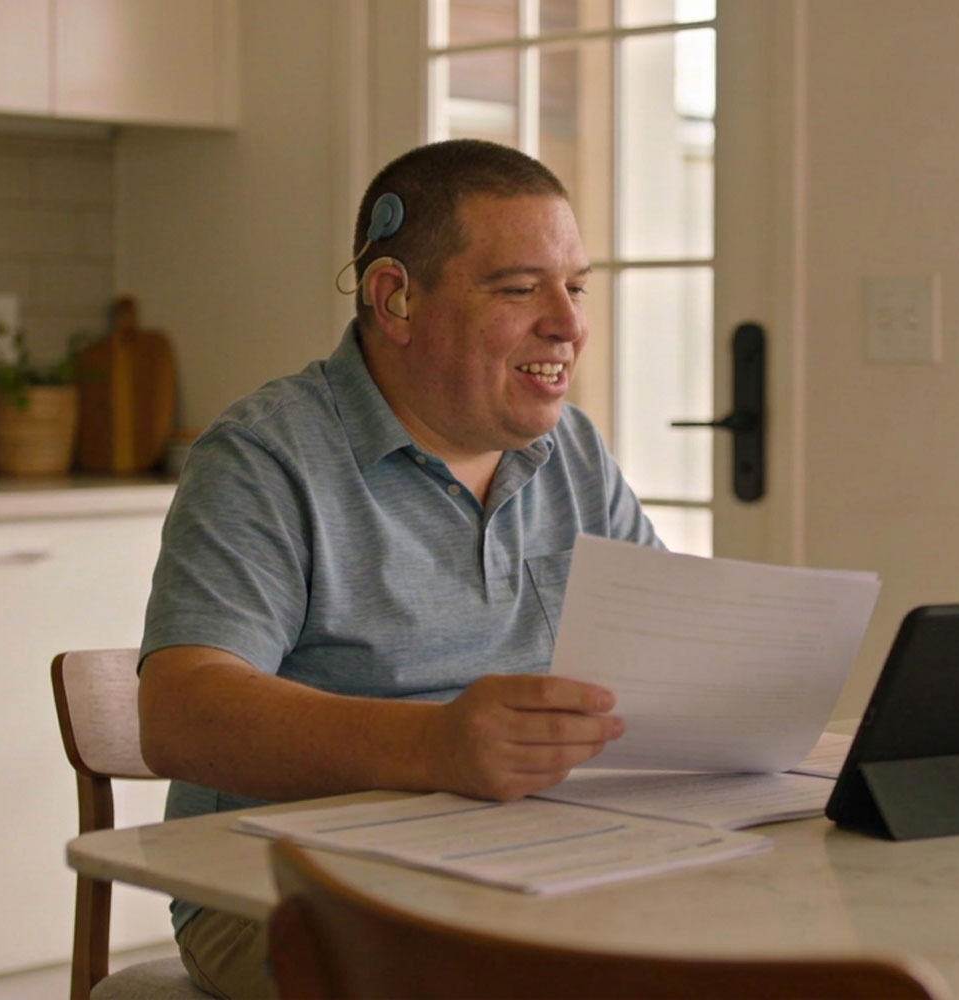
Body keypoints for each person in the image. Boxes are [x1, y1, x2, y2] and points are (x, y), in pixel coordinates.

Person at [136, 139, 660, 998]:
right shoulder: (266, 454)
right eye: (520, 288)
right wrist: (437, 746)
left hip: (530, 861)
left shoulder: (573, 451)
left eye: (576, 286)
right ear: (395, 298)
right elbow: (180, 714)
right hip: (288, 896)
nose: (567, 323)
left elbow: (663, 656)